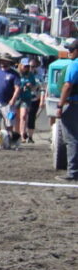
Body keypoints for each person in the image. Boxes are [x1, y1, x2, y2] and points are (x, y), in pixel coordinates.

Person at [50, 40, 78, 177]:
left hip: (74, 104)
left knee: (71, 138)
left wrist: (60, 106)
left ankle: (72, 172)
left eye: (71, 49)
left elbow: (67, 86)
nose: (69, 52)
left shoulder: (74, 64)